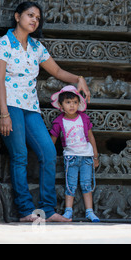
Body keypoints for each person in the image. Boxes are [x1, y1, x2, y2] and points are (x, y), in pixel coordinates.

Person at [0, 1, 91, 222]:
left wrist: (78, 79)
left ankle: (47, 209)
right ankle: (26, 210)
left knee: (48, 152)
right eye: (30, 15)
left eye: (37, 18)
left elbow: (56, 71)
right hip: (10, 107)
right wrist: (5, 114)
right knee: (20, 156)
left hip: (31, 108)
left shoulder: (37, 47)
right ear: (17, 17)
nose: (34, 20)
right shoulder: (4, 43)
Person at [50, 85, 100, 222]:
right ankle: (68, 211)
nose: (72, 106)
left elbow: (91, 137)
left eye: (75, 102)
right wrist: (49, 157)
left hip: (86, 157)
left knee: (86, 184)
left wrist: (95, 156)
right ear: (60, 105)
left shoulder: (83, 118)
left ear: (79, 104)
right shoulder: (59, 121)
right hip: (70, 158)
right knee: (70, 185)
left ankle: (89, 212)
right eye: (68, 102)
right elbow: (51, 141)